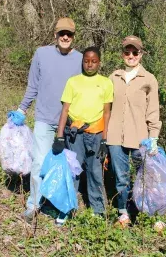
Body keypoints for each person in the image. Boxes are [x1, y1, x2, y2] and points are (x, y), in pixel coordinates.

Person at [17, 17, 82, 223]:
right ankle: (34, 203)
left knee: (69, 165)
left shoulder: (81, 59)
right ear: (55, 35)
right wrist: (22, 109)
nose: (65, 37)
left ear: (73, 37)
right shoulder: (41, 54)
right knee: (39, 163)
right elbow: (32, 85)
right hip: (45, 119)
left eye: (69, 34)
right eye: (61, 33)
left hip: (71, 122)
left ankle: (63, 205)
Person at [51, 46, 113, 225]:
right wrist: (60, 135)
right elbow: (65, 110)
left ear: (99, 63)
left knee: (95, 171)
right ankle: (66, 208)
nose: (90, 64)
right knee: (73, 170)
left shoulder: (106, 83)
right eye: (86, 61)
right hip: (75, 135)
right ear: (82, 61)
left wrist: (104, 139)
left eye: (94, 61)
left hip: (96, 133)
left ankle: (98, 209)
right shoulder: (73, 82)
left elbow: (107, 113)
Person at [107, 35, 162, 228]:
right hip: (114, 137)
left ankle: (151, 213)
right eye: (127, 52)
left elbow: (153, 110)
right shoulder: (113, 77)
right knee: (121, 177)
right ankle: (124, 213)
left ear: (141, 54)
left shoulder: (149, 79)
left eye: (135, 52)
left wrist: (153, 137)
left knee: (145, 176)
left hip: (141, 138)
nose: (131, 55)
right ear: (122, 54)